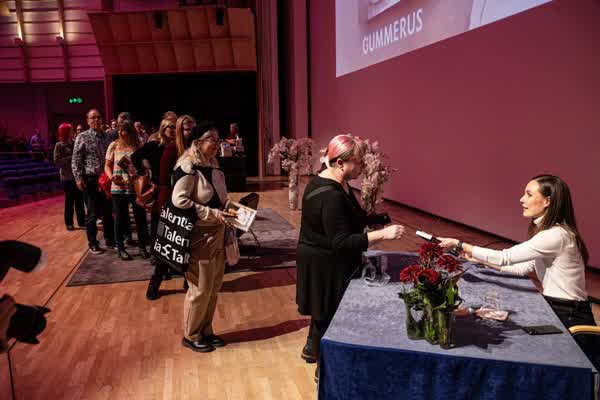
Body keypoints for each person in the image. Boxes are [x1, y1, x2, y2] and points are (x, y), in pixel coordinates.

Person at [438, 174, 599, 369]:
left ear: (547, 201)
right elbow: (521, 268)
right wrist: (480, 259)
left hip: (569, 315)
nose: (522, 199)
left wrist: (459, 244)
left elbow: (505, 257)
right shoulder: (550, 233)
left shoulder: (556, 236)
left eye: (529, 194)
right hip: (561, 307)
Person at [296, 134, 405, 381]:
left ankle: (311, 348)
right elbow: (342, 242)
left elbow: (349, 216)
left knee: (323, 309)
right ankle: (325, 372)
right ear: (340, 163)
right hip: (323, 262)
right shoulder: (330, 195)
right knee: (330, 313)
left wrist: (375, 219)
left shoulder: (337, 183)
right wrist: (383, 234)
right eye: (358, 162)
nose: (362, 167)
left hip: (324, 257)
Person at [171, 128, 234, 353]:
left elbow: (220, 198)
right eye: (211, 140)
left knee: (213, 287)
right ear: (197, 142)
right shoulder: (187, 166)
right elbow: (179, 200)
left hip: (218, 234)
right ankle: (191, 334)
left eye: (218, 140)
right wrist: (211, 213)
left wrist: (231, 209)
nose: (216, 144)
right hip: (198, 236)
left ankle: (206, 330)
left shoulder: (213, 165)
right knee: (200, 288)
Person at [131, 118, 177, 299]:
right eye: (169, 127)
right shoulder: (154, 145)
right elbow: (135, 157)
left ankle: (170, 264)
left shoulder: (179, 146)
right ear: (163, 129)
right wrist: (144, 173)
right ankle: (157, 258)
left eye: (175, 126)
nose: (173, 129)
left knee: (173, 230)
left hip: (176, 191)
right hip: (160, 191)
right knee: (158, 227)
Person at [104, 121, 150, 261]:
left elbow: (145, 166)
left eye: (125, 130)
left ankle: (142, 247)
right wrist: (111, 177)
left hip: (135, 187)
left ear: (131, 131)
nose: (122, 133)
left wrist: (139, 172)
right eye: (120, 130)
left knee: (140, 218)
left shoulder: (138, 145)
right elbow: (107, 166)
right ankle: (121, 248)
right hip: (118, 188)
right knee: (120, 219)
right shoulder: (114, 145)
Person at [72, 109, 115, 254]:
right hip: (91, 179)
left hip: (106, 178)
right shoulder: (82, 137)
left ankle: (110, 239)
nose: (96, 120)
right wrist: (78, 178)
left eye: (99, 117)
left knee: (108, 211)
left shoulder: (108, 137)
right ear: (88, 121)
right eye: (93, 118)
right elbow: (76, 159)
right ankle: (93, 243)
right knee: (92, 213)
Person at [53, 123, 85, 231]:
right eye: (71, 130)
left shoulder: (75, 143)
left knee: (79, 200)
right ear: (66, 132)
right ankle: (69, 223)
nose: (73, 132)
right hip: (67, 177)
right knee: (69, 201)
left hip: (77, 176)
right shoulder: (59, 145)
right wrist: (71, 158)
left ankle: (81, 221)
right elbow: (57, 161)